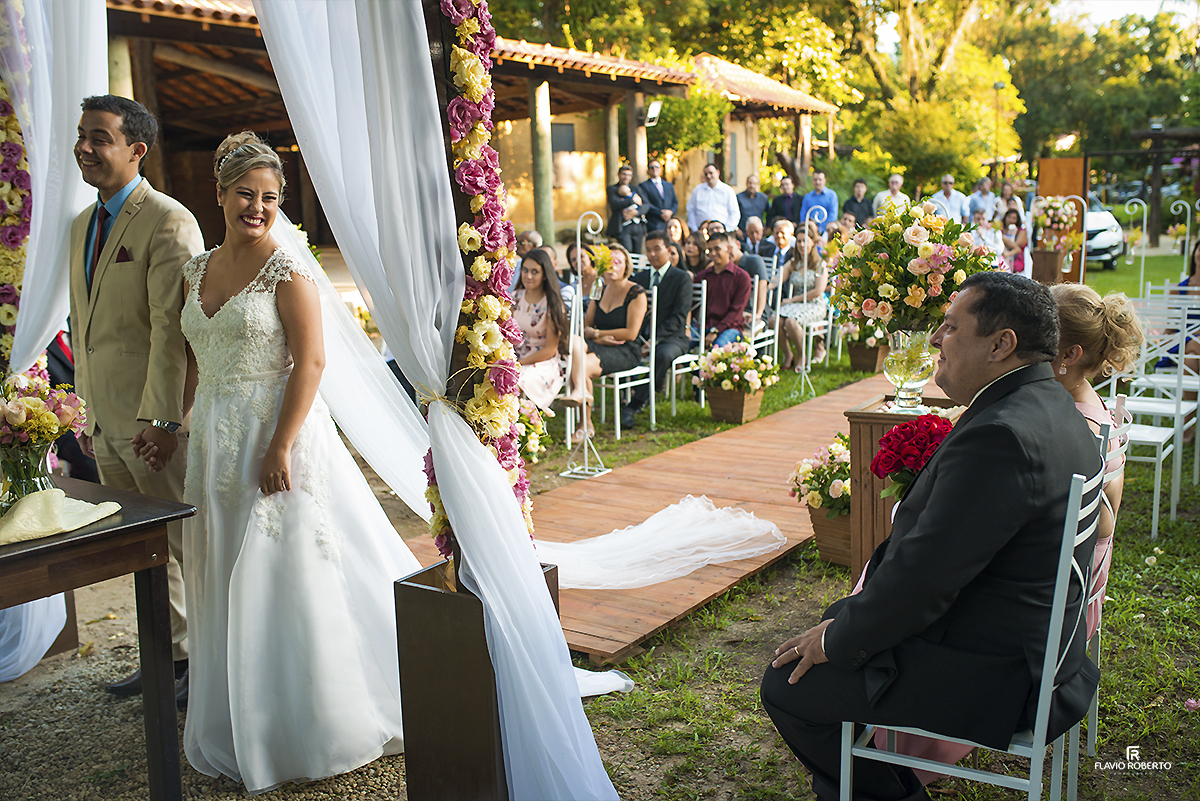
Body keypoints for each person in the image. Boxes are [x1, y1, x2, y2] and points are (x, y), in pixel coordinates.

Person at [762, 273, 1102, 801]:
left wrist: (838, 641)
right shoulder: (1053, 406)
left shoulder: (1000, 436)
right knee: (838, 621)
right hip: (1037, 646)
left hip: (1001, 674)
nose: (934, 340)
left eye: (949, 327)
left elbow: (925, 582)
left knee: (787, 686)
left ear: (1001, 344)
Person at [174, 132, 423, 793]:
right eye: (245, 195)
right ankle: (237, 714)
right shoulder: (195, 270)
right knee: (225, 564)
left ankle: (305, 719)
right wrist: (182, 422)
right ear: (220, 194)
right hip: (214, 441)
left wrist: (280, 443)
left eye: (269, 197)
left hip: (275, 431)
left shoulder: (289, 272)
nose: (256, 207)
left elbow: (311, 361)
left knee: (282, 565)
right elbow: (198, 358)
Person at [69, 95, 202, 701]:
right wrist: (81, 410)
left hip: (153, 425)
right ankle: (165, 658)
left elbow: (172, 330)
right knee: (136, 550)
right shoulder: (80, 226)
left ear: (136, 149)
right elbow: (85, 326)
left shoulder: (168, 220)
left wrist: (161, 419)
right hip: (103, 421)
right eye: (82, 136)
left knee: (180, 545)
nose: (85, 148)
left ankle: (202, 663)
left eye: (100, 137)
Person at [1051, 284, 1143, 639]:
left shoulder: (1077, 429)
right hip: (1084, 586)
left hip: (1066, 606)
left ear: (1068, 355)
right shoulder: (1088, 405)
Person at [622, 231, 693, 428]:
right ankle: (624, 393)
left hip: (673, 337)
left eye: (657, 249)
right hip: (641, 335)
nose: (652, 254)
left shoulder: (682, 278)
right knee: (621, 346)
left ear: (669, 250)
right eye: (648, 250)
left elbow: (679, 317)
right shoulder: (640, 278)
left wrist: (655, 338)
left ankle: (635, 403)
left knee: (661, 355)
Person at [575, 243, 647, 438]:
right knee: (574, 345)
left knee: (581, 363)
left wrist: (597, 334)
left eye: (618, 262)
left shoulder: (636, 293)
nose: (613, 266)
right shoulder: (599, 289)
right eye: (609, 262)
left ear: (626, 266)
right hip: (598, 344)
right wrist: (597, 336)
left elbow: (631, 333)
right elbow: (584, 326)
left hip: (625, 349)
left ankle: (584, 423)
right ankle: (585, 422)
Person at [514, 249, 570, 411]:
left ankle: (524, 425)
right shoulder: (515, 297)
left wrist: (518, 364)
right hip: (514, 356)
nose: (528, 276)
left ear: (545, 274)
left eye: (535, 272)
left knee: (515, 380)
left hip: (542, 361)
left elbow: (550, 349)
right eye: (525, 270)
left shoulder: (553, 304)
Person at [772, 230, 828, 369]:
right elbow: (777, 280)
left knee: (791, 322)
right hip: (795, 304)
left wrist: (792, 300)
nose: (802, 244)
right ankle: (788, 353)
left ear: (812, 243)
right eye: (799, 241)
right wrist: (764, 285)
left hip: (814, 304)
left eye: (805, 241)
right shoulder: (793, 264)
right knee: (774, 320)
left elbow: (818, 291)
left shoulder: (820, 264)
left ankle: (802, 355)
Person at [693, 232, 751, 349]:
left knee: (717, 350)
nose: (713, 253)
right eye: (710, 250)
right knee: (680, 345)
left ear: (728, 249)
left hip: (730, 328)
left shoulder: (741, 277)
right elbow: (692, 305)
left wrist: (716, 331)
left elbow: (736, 311)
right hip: (703, 326)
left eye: (717, 249)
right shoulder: (702, 276)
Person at [687, 164, 740, 233]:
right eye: (706, 174)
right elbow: (690, 211)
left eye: (711, 173)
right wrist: (695, 229)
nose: (708, 176)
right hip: (702, 231)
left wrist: (727, 229)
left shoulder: (727, 190)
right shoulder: (697, 190)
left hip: (721, 231)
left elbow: (734, 213)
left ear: (718, 172)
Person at [607, 164, 646, 254]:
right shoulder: (612, 189)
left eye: (629, 175)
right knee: (627, 252)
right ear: (619, 175)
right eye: (624, 174)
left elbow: (646, 204)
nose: (626, 177)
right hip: (623, 226)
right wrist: (632, 200)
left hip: (638, 226)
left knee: (637, 253)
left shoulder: (636, 189)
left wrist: (636, 212)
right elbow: (615, 204)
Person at [638, 159, 678, 234]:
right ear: (648, 170)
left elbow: (675, 202)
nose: (654, 169)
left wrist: (670, 212)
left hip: (669, 224)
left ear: (660, 169)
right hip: (654, 224)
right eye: (651, 167)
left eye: (656, 167)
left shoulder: (668, 185)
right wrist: (661, 213)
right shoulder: (643, 186)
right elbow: (646, 203)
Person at [999, 208, 1028, 274]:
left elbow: (1017, 246)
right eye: (1009, 217)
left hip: (1016, 258)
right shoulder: (1000, 231)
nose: (1011, 220)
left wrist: (1008, 238)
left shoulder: (1021, 231)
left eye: (1013, 218)